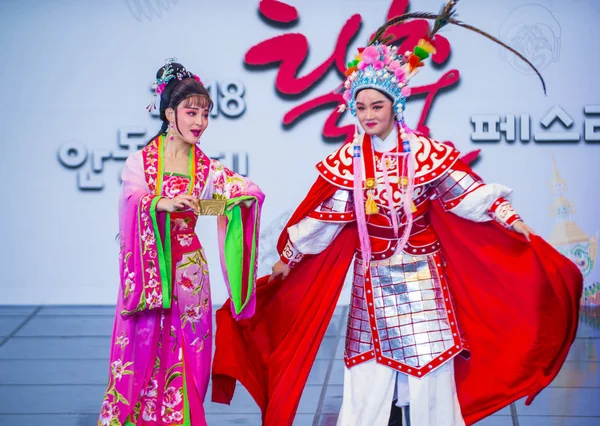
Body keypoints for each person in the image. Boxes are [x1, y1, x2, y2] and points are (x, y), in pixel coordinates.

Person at [211, 3, 582, 425]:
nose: (368, 116)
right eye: (362, 107)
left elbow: (468, 193)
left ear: (395, 106)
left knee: (430, 379)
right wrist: (287, 260)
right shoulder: (349, 162)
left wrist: (514, 222)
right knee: (369, 379)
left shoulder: (424, 153)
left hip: (424, 279)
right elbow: (326, 220)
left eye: (377, 107)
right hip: (373, 284)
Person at [98, 60, 264, 426]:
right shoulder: (139, 162)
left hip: (190, 277)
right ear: (170, 113)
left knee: (190, 355)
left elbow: (245, 191)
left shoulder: (206, 168)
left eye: (205, 114)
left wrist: (223, 204)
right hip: (150, 274)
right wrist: (160, 203)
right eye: (192, 112)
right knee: (142, 353)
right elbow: (133, 200)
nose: (200, 122)